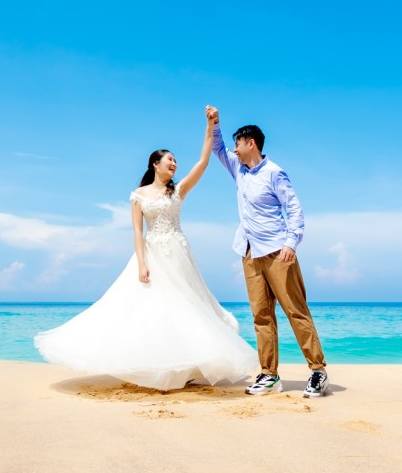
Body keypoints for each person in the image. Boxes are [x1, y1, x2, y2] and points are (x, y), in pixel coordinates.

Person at [34, 110, 254, 390]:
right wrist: (141, 263)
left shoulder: (179, 190)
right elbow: (138, 231)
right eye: (170, 160)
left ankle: (186, 367)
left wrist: (210, 126)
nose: (174, 164)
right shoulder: (138, 196)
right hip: (153, 255)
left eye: (175, 160)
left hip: (179, 254)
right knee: (154, 310)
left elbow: (203, 161)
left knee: (187, 308)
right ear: (155, 164)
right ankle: (158, 366)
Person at [207, 106, 329, 398]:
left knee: (295, 311)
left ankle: (318, 371)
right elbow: (217, 147)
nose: (234, 149)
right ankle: (269, 374)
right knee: (261, 315)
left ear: (251, 143)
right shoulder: (238, 169)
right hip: (249, 252)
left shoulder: (275, 172)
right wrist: (215, 124)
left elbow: (294, 209)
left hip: (278, 251)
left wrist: (291, 243)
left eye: (238, 143)